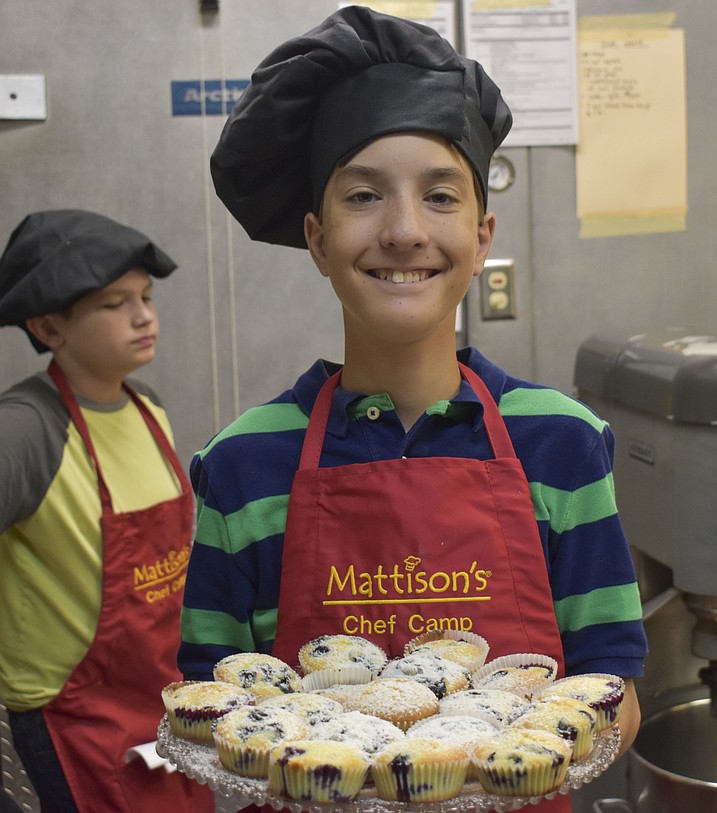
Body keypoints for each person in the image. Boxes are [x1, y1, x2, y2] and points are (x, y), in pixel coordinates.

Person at [179, 7, 648, 811]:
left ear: (481, 232)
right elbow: (215, 706)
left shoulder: (561, 443)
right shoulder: (243, 463)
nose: (403, 230)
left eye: (439, 196)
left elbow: (613, 692)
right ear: (318, 238)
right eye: (364, 196)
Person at [0, 210, 213, 813]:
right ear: (48, 326)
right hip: (74, 711)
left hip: (160, 694)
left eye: (144, 296)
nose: (144, 316)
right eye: (114, 303)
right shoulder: (24, 430)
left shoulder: (147, 407)